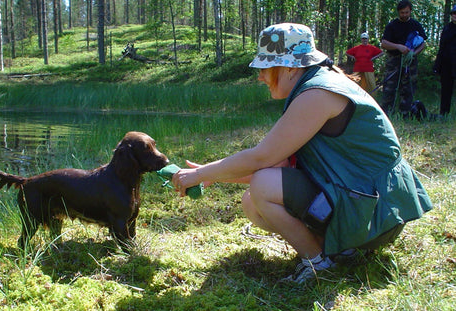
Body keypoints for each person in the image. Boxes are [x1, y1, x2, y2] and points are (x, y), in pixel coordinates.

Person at [171, 23, 432, 284]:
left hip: (376, 212)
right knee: (253, 202)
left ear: (290, 68)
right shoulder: (314, 85)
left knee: (262, 187)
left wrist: (200, 174)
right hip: (361, 199)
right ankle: (339, 249)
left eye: (265, 67)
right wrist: (211, 176)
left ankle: (319, 262)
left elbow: (262, 158)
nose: (260, 76)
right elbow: (280, 164)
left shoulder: (317, 93)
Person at [380, 0, 427, 115]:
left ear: (410, 11)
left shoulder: (416, 25)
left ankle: (405, 113)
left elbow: (423, 44)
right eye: (402, 13)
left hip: (410, 62)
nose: (404, 15)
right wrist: (398, 47)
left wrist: (414, 53)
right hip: (394, 60)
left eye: (406, 12)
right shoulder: (392, 25)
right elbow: (383, 43)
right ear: (398, 12)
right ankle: (386, 114)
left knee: (408, 88)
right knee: (389, 87)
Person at [433, 5, 456, 116]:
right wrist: (437, 65)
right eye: (454, 13)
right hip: (447, 64)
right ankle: (444, 113)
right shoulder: (447, 29)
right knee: (446, 91)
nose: (455, 15)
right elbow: (441, 48)